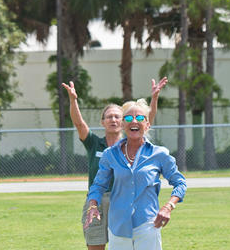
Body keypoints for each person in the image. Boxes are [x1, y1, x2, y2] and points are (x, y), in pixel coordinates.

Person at [63, 78, 167, 250]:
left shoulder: (130, 144)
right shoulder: (95, 144)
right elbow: (79, 124)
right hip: (97, 202)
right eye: (109, 117)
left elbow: (148, 120)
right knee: (95, 245)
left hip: (123, 201)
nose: (113, 119)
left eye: (117, 116)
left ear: (124, 121)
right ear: (103, 122)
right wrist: (73, 100)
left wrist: (154, 99)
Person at [83, 91, 185, 250]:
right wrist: (93, 205)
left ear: (147, 124)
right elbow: (98, 185)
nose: (134, 121)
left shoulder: (159, 154)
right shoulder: (110, 154)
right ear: (123, 125)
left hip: (148, 225)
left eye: (140, 118)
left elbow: (180, 183)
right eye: (129, 118)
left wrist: (168, 207)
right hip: (117, 228)